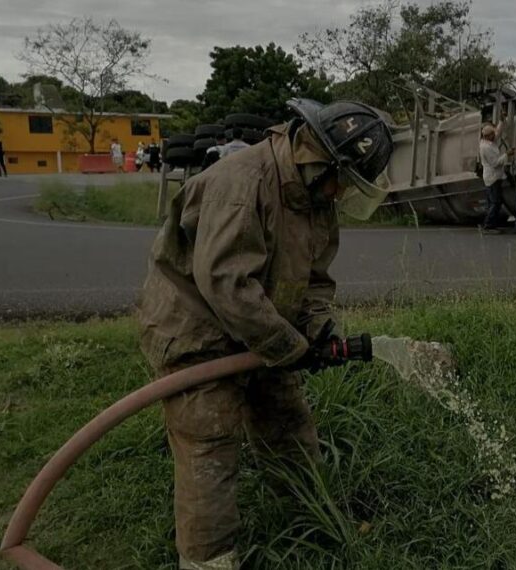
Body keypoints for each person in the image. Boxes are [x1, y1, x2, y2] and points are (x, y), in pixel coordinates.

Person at [136, 98, 393, 570]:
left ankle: (308, 518)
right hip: (197, 330)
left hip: (263, 326)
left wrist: (315, 327)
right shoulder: (241, 185)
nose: (340, 195)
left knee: (286, 422)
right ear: (319, 161)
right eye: (342, 181)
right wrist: (288, 347)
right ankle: (208, 561)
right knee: (209, 444)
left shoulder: (316, 197)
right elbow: (227, 285)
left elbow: (316, 277)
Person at [479, 124, 513, 232]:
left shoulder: (487, 142)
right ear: (488, 136)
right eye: (492, 134)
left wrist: (501, 121)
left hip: (492, 177)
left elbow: (497, 134)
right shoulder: (486, 148)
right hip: (493, 177)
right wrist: (507, 154)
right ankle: (488, 225)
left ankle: (491, 224)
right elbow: (495, 163)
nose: (495, 135)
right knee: (495, 202)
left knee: (492, 202)